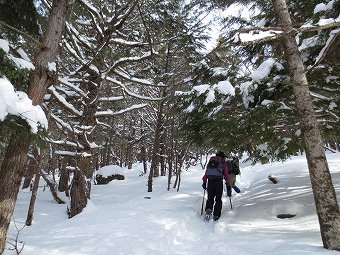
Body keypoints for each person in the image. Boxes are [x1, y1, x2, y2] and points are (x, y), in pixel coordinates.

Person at [202, 151, 231, 221]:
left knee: (210, 198)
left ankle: (208, 211)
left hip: (210, 181)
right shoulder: (222, 162)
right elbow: (226, 175)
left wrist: (204, 182)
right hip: (218, 182)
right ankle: (216, 215)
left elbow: (206, 173)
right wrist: (228, 185)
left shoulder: (211, 161)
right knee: (218, 199)